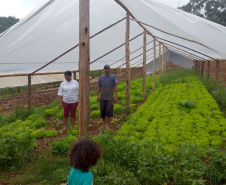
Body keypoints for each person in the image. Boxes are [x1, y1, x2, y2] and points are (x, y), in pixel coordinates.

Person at [97, 64, 117, 131]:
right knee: (102, 111)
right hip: (102, 97)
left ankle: (107, 125)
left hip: (110, 97)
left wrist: (116, 95)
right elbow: (99, 87)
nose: (106, 70)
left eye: (107, 69)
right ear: (104, 69)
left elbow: (115, 86)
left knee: (108, 111)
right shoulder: (101, 77)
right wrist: (97, 96)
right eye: (105, 69)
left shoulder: (113, 77)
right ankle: (103, 125)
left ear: (109, 69)